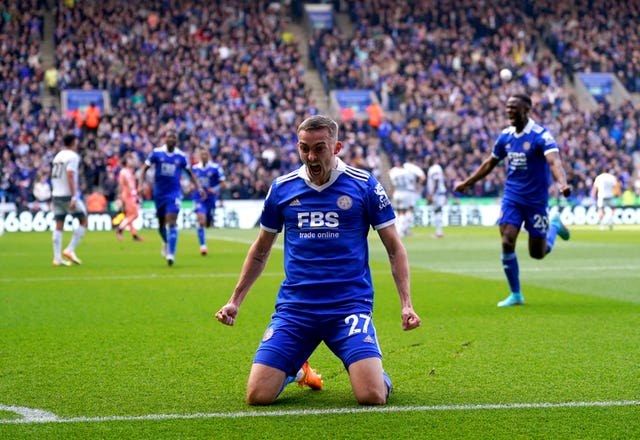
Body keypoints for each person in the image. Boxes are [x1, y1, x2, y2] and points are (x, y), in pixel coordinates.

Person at [215, 115, 421, 406]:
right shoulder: (283, 189)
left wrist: (406, 304)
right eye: (304, 148)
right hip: (296, 310)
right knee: (257, 396)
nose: (311, 156)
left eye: (319, 148)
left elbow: (394, 248)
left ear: (336, 148)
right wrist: (234, 301)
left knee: (371, 395)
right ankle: (297, 370)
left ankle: (376, 373)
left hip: (348, 307)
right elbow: (261, 250)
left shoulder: (364, 185)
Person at [454, 93, 572, 307]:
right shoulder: (506, 137)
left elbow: (554, 162)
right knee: (507, 240)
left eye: (514, 108)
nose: (509, 111)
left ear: (526, 109)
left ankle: (554, 224)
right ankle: (516, 294)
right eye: (507, 108)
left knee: (538, 253)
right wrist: (467, 183)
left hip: (536, 201)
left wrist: (562, 183)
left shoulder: (541, 136)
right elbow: (489, 164)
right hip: (512, 197)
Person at [139, 128, 205, 266]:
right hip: (159, 194)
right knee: (161, 225)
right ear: (165, 138)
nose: (171, 140)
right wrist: (140, 185)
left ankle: (171, 254)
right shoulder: (157, 153)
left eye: (174, 138)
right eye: (169, 137)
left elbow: (190, 173)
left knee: (172, 221)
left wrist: (198, 187)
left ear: (176, 140)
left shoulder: (181, 156)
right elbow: (144, 169)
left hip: (174, 194)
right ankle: (166, 242)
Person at [50, 133, 87, 266]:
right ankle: (70, 249)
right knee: (83, 220)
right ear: (73, 142)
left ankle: (57, 258)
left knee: (59, 224)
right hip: (67, 194)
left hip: (56, 194)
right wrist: (74, 196)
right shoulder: (73, 156)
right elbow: (70, 175)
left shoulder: (58, 155)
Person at [191, 147, 225, 255]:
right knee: (201, 220)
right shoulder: (195, 169)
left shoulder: (216, 168)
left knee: (208, 223)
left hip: (211, 199)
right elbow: (191, 182)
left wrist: (214, 189)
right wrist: (191, 187)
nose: (204, 156)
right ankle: (203, 246)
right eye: (202, 155)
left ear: (209, 156)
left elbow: (222, 182)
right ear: (199, 156)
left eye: (206, 154)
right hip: (199, 198)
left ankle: (205, 225)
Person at [387, 157, 426, 238]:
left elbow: (388, 172)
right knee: (409, 211)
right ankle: (400, 230)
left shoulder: (395, 171)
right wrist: (417, 186)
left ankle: (405, 230)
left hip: (397, 192)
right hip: (408, 192)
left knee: (399, 211)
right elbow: (422, 177)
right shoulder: (409, 170)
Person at [115, 153, 144, 241]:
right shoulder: (125, 172)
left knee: (129, 215)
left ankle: (134, 235)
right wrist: (134, 192)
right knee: (135, 214)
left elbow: (120, 184)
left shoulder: (125, 171)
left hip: (126, 195)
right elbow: (129, 183)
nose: (131, 162)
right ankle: (120, 229)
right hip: (129, 195)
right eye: (129, 160)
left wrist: (120, 195)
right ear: (126, 163)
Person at [426, 154, 447, 238]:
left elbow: (436, 181)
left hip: (437, 194)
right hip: (438, 194)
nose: (426, 162)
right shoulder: (436, 168)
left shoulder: (434, 168)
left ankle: (439, 232)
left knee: (438, 212)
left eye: (428, 160)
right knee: (437, 212)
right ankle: (439, 232)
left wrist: (432, 194)